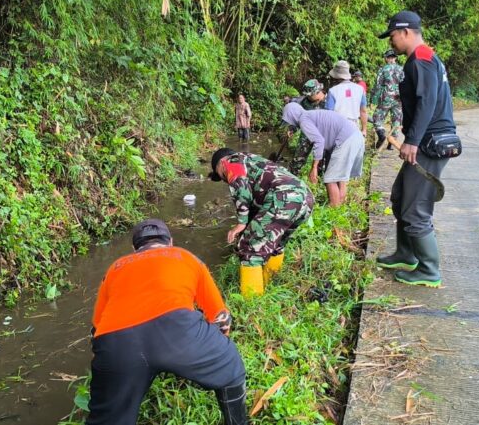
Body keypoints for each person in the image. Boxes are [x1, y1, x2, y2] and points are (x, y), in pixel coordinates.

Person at [86, 219, 248, 425]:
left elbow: (96, 328)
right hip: (177, 328)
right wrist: (209, 351)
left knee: (107, 418)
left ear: (134, 248)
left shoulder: (114, 269)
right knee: (231, 365)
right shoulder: (186, 257)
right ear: (170, 242)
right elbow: (221, 318)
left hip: (117, 342)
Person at [374, 10, 457, 288]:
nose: (392, 42)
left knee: (416, 207)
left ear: (406, 32)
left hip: (430, 142)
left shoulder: (420, 59)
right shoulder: (422, 58)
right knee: (400, 196)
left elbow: (427, 101)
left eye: (393, 36)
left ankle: (429, 270)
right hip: (427, 138)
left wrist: (412, 141)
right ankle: (406, 254)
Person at [209, 149, 314, 296]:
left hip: (283, 197)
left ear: (221, 163)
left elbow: (240, 185)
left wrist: (241, 222)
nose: (224, 179)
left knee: (249, 248)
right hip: (305, 198)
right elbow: (256, 202)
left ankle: (252, 302)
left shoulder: (231, 162)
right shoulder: (252, 160)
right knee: (275, 243)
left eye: (219, 175)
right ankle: (269, 285)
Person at [282, 98, 365, 207]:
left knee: (330, 178)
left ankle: (334, 208)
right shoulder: (310, 115)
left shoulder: (304, 120)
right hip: (355, 136)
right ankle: (340, 204)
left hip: (346, 139)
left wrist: (314, 168)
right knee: (340, 176)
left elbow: (319, 141)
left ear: (292, 116)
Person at [371, 49, 405, 150]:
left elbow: (377, 86)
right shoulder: (401, 69)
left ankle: (382, 134)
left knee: (377, 117)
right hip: (399, 98)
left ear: (386, 58)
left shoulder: (383, 69)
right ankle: (392, 142)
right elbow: (405, 84)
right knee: (396, 120)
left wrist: (373, 99)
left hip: (386, 97)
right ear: (395, 58)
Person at [325, 60, 369, 134]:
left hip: (338, 128)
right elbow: (363, 111)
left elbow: (329, 115)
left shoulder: (332, 91)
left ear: (336, 76)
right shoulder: (360, 89)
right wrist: (364, 130)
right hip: (354, 127)